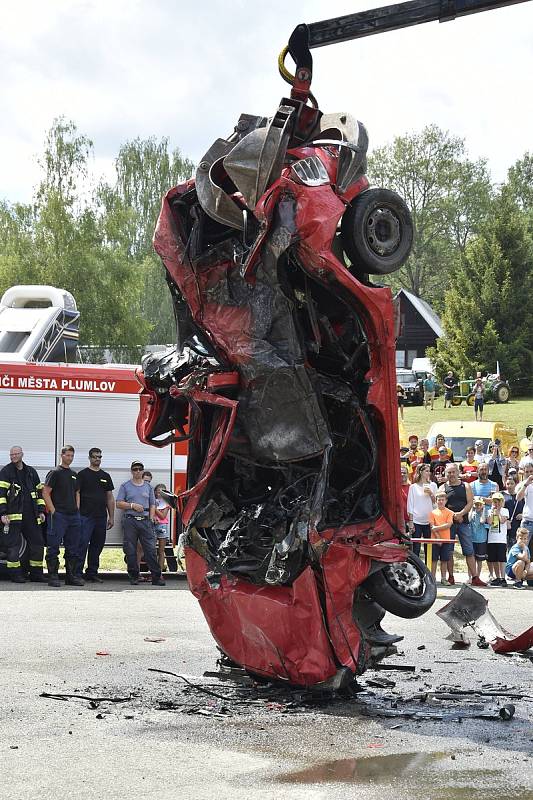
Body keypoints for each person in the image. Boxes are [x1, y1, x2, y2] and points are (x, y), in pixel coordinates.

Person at [0, 445, 46, 583]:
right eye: (11, 455)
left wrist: (41, 511)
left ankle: (36, 574)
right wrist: (2, 513)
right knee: (13, 547)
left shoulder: (31, 472)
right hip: (13, 517)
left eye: (16, 454)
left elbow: (39, 493)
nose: (13, 456)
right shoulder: (6, 472)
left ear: (22, 454)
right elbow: (1, 494)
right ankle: (16, 575)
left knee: (38, 544)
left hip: (31, 516)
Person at [116, 461, 165, 586]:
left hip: (145, 521)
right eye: (135, 469)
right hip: (130, 520)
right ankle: (134, 576)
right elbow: (118, 503)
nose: (137, 471)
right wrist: (132, 505)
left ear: (143, 471)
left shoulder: (148, 487)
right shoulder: (125, 486)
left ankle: (156, 577)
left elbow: (152, 504)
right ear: (131, 471)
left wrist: (151, 517)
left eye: (140, 469)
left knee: (150, 550)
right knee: (131, 550)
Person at [42, 445, 83, 588]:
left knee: (72, 547)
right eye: (67, 455)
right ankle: (53, 576)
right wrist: (53, 511)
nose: (70, 458)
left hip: (73, 517)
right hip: (58, 516)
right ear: (61, 455)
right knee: (53, 547)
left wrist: (77, 508)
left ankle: (70, 577)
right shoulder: (54, 473)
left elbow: (77, 492)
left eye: (72, 456)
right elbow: (45, 492)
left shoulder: (74, 474)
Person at [76, 448, 114, 583]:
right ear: (89, 458)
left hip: (100, 517)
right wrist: (77, 512)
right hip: (85, 516)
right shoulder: (82, 475)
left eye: (99, 457)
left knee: (97, 546)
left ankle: (92, 572)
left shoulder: (105, 476)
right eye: (94, 457)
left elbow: (109, 497)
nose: (97, 459)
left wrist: (111, 517)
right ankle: (77, 573)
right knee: (82, 545)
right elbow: (77, 493)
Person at [444, 463, 481, 586]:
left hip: (464, 523)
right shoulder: (443, 488)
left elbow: (470, 502)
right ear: (446, 473)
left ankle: (475, 577)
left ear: (458, 473)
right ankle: (450, 577)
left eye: (453, 472)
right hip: (449, 524)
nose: (451, 474)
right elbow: (440, 505)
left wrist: (461, 514)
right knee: (449, 551)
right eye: (449, 472)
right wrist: (453, 515)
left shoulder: (465, 486)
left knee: (469, 550)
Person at [406, 464, 437, 558]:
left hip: (429, 521)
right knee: (416, 548)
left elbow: (436, 504)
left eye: (429, 471)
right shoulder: (413, 487)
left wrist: (431, 494)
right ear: (420, 472)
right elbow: (410, 505)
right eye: (426, 471)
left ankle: (428, 570)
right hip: (416, 521)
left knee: (429, 547)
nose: (429, 473)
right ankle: (416, 569)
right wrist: (411, 522)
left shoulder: (433, 485)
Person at [428, 489, 455, 583]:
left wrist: (436, 528)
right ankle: (432, 578)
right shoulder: (432, 513)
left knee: (444, 560)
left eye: (442, 500)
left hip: (446, 539)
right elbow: (432, 526)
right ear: (436, 501)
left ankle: (443, 578)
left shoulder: (449, 512)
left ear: (446, 501)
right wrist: (437, 537)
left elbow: (449, 524)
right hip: (434, 540)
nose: (441, 501)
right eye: (439, 500)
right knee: (434, 559)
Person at [486, 492, 509, 586]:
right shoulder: (489, 511)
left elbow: (503, 521)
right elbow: (490, 522)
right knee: (493, 559)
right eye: (495, 502)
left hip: (501, 539)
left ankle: (503, 577)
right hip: (492, 539)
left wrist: (498, 512)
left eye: (499, 501)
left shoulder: (505, 510)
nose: (497, 504)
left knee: (501, 559)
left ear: (502, 502)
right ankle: (497, 577)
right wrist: (492, 512)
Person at [468, 496, 489, 582]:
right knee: (471, 559)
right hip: (472, 539)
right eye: (476, 505)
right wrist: (471, 509)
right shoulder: (472, 513)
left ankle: (478, 576)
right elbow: (469, 519)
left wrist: (483, 510)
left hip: (481, 540)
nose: (478, 506)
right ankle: (470, 577)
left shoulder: (485, 513)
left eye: (479, 505)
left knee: (479, 560)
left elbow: (482, 521)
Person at [503, 475, 524, 551]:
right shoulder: (502, 495)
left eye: (512, 483)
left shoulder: (520, 496)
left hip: (517, 525)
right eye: (508, 484)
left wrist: (522, 515)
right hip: (505, 525)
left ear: (515, 484)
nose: (510, 486)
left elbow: (525, 508)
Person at [154, 483, 170, 572]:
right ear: (155, 492)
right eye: (158, 491)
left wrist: (154, 508)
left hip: (162, 526)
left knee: (161, 550)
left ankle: (159, 571)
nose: (159, 493)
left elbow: (163, 516)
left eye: (162, 491)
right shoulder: (153, 501)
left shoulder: (166, 503)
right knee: (151, 550)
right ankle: (153, 571)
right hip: (153, 525)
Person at [516, 464, 533, 545]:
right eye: (527, 472)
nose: (529, 473)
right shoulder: (524, 484)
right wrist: (526, 484)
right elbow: (518, 498)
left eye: (531, 471)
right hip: (527, 521)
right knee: (522, 547)